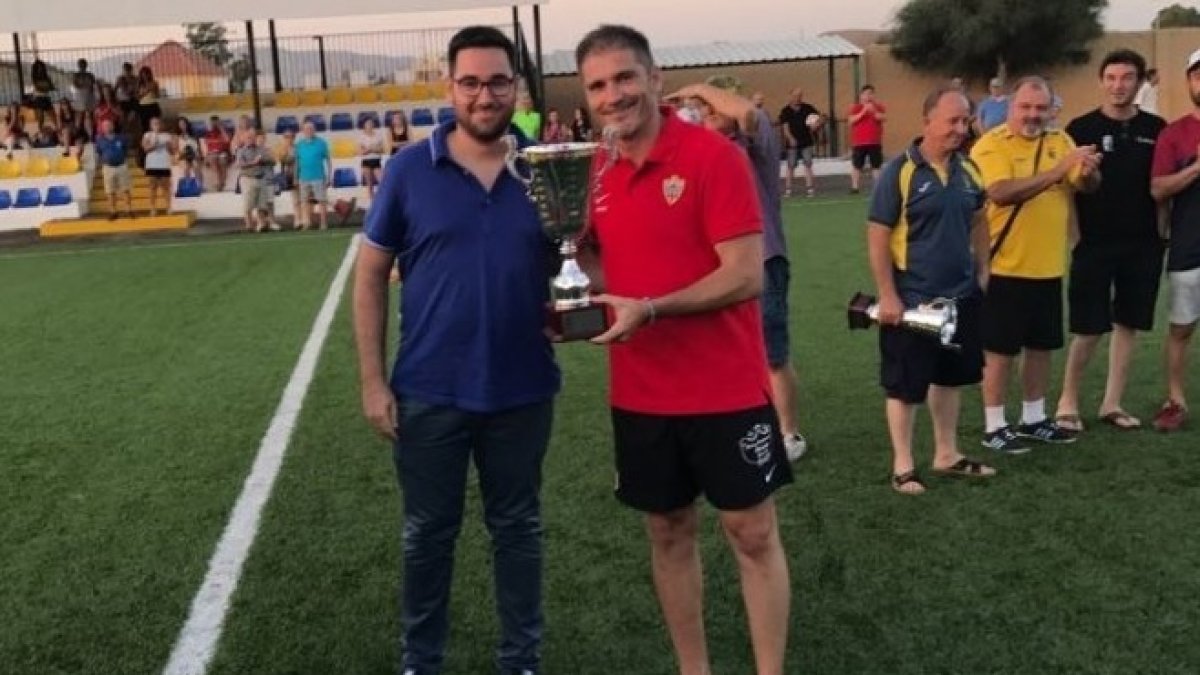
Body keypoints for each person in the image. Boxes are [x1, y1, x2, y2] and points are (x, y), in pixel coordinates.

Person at [574, 24, 791, 675]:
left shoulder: (712, 156)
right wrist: (570, 285)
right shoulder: (594, 169)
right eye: (598, 85)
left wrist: (652, 307)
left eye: (623, 78)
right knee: (667, 531)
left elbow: (746, 272)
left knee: (751, 533)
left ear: (655, 77)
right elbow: (592, 261)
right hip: (640, 391)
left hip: (725, 386)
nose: (613, 95)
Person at [353, 25, 559, 675]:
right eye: (469, 82)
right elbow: (368, 275)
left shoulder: (548, 167)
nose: (484, 95)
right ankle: (421, 660)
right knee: (426, 535)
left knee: (518, 529)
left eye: (498, 81)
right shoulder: (410, 169)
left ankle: (520, 659)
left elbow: (583, 264)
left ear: (515, 87)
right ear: (450, 88)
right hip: (429, 389)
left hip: (523, 387)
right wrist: (372, 380)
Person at [670, 76, 809, 461]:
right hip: (717, 268)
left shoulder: (754, 138)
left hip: (763, 262)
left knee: (773, 354)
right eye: (704, 110)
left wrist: (698, 87)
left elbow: (745, 110)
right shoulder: (701, 151)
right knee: (723, 351)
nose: (707, 114)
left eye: (714, 109)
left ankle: (789, 433)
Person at [866, 85, 996, 494]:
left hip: (960, 297)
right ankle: (903, 466)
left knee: (950, 378)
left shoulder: (970, 170)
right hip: (913, 299)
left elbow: (979, 221)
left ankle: (947, 454)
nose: (960, 129)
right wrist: (887, 294)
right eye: (952, 121)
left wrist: (984, 269)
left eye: (965, 121)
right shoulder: (899, 172)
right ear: (928, 121)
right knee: (906, 385)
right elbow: (878, 235)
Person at [970, 76, 1102, 453]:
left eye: (1040, 108)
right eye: (1025, 107)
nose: (1032, 115)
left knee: (1041, 347)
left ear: (1050, 110)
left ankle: (1034, 418)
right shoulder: (991, 145)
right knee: (999, 351)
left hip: (1047, 266)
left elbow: (1084, 184)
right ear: (1010, 108)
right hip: (1004, 267)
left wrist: (1089, 170)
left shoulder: (1060, 141)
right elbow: (1000, 192)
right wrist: (1059, 170)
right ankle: (995, 425)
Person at [1054, 50, 1166, 433]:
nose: (1119, 85)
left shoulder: (1157, 128)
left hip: (1143, 243)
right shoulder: (1080, 128)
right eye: (1112, 77)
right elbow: (1069, 189)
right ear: (1102, 81)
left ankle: (1112, 403)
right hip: (1095, 243)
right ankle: (1067, 403)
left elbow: (1162, 187)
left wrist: (1162, 232)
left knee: (1128, 323)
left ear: (1139, 83)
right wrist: (1075, 236)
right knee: (1088, 327)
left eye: (1127, 78)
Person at [1148, 48, 1200, 432]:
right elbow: (1158, 189)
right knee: (1181, 329)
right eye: (1199, 75)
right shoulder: (1175, 133)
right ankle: (1175, 400)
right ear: (1190, 82)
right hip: (1189, 246)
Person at [778, 88, 821, 197]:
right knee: (791, 165)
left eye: (799, 96)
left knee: (808, 164)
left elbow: (818, 119)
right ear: (790, 96)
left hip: (806, 142)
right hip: (792, 144)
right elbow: (785, 127)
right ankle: (788, 190)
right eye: (795, 96)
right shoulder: (785, 111)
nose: (797, 98)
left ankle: (810, 189)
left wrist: (816, 125)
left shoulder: (808, 108)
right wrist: (791, 138)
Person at [235, 127, 278, 232]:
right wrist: (253, 163)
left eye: (253, 137)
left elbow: (273, 161)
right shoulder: (241, 151)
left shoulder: (261, 149)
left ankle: (262, 224)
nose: (251, 139)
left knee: (261, 204)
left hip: (261, 178)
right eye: (248, 137)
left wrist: (263, 160)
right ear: (245, 139)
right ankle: (249, 225)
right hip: (248, 178)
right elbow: (239, 165)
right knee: (248, 204)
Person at [848, 84, 886, 193]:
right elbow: (851, 120)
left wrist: (873, 111)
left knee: (876, 165)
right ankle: (855, 187)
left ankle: (878, 187)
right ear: (861, 95)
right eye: (866, 94)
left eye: (871, 94)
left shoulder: (878, 106)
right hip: (859, 143)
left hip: (875, 142)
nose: (869, 96)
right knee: (857, 165)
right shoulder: (855, 107)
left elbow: (883, 117)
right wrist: (864, 111)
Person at [94, 118, 135, 220]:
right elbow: (99, 152)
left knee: (126, 189)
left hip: (121, 166)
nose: (108, 127)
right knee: (110, 191)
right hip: (108, 168)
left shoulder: (121, 138)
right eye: (105, 126)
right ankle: (113, 211)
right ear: (102, 128)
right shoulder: (99, 139)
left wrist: (120, 157)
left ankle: (129, 210)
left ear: (113, 126)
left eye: (109, 125)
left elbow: (125, 150)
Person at [294, 120, 332, 230]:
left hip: (318, 177)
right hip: (303, 177)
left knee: (322, 200)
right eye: (306, 129)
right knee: (304, 201)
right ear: (303, 131)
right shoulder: (299, 145)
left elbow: (328, 161)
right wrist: (295, 177)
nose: (309, 131)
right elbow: (297, 162)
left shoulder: (321, 143)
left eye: (311, 129)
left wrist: (329, 176)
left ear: (314, 130)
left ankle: (323, 223)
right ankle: (307, 223)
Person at [142, 117, 174, 217]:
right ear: (151, 125)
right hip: (152, 165)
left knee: (166, 187)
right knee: (152, 187)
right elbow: (146, 149)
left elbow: (172, 151)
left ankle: (168, 207)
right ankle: (152, 208)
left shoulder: (167, 136)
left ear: (161, 124)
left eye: (158, 123)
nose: (157, 125)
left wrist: (169, 145)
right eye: (154, 124)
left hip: (164, 164)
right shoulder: (147, 135)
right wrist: (154, 141)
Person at [275, 128, 300, 227]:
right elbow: (281, 160)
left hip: (300, 174)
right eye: (286, 137)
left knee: (304, 199)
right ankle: (297, 220)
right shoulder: (280, 148)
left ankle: (303, 219)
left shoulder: (298, 148)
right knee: (296, 199)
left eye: (291, 137)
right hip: (289, 176)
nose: (289, 139)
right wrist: (286, 151)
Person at [358, 117, 385, 200]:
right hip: (366, 162)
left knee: (382, 182)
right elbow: (361, 152)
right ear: (364, 126)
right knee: (370, 185)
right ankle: (372, 204)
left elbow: (381, 150)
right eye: (368, 124)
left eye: (371, 123)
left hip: (376, 161)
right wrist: (372, 148)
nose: (369, 125)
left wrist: (369, 149)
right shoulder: (361, 137)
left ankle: (381, 202)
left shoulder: (378, 136)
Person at [203, 115, 232, 191]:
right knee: (213, 158)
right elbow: (206, 145)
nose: (214, 124)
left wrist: (221, 128)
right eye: (213, 123)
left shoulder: (224, 131)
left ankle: (222, 183)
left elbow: (227, 140)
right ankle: (218, 182)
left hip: (223, 152)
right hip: (212, 153)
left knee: (222, 160)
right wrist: (207, 156)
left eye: (216, 122)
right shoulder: (208, 133)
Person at [71, 59, 98, 134]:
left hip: (88, 96)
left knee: (88, 116)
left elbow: (92, 85)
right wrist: (86, 86)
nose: (82, 66)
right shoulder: (76, 75)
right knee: (80, 116)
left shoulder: (90, 75)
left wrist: (85, 86)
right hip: (80, 96)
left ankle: (90, 134)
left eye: (83, 64)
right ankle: (78, 133)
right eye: (81, 65)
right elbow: (76, 85)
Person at [175, 116, 203, 188]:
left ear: (187, 124)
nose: (182, 126)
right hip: (183, 155)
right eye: (180, 124)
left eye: (183, 124)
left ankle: (199, 185)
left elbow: (198, 147)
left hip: (193, 155)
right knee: (185, 167)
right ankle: (188, 185)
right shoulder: (177, 136)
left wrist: (199, 154)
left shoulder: (193, 134)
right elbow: (176, 148)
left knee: (196, 165)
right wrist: (180, 154)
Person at [30, 60, 55, 130]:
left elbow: (51, 87)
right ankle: (40, 130)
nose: (40, 69)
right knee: (41, 117)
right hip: (38, 98)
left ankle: (57, 128)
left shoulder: (46, 77)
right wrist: (46, 86)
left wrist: (46, 86)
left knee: (53, 115)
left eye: (41, 67)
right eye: (38, 68)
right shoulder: (35, 77)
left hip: (46, 97)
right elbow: (39, 87)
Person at [135, 67, 162, 133]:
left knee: (155, 124)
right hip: (143, 107)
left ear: (149, 74)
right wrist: (146, 91)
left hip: (153, 105)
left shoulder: (154, 83)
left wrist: (154, 90)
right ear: (141, 75)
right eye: (143, 74)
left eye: (146, 74)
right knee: (145, 125)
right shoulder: (139, 84)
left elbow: (158, 96)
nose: (145, 76)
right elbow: (137, 97)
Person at [114, 63, 138, 130]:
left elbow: (136, 90)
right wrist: (116, 100)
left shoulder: (135, 79)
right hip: (122, 100)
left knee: (133, 113)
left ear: (131, 70)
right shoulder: (120, 79)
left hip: (132, 100)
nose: (127, 72)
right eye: (125, 70)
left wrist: (132, 92)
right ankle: (123, 128)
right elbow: (115, 90)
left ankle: (128, 126)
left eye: (128, 70)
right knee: (122, 115)